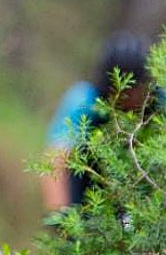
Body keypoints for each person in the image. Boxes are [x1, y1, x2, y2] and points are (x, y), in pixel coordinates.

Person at [40, 30, 152, 213]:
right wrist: (61, 217)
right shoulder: (84, 100)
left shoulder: (157, 106)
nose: (130, 95)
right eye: (123, 88)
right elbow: (55, 158)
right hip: (84, 188)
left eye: (135, 87)